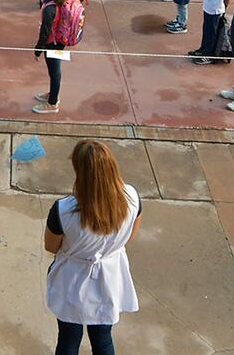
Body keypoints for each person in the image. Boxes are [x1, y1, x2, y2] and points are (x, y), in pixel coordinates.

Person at [45, 139, 141, 355]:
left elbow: (51, 246)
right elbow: (129, 236)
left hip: (72, 279)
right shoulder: (132, 198)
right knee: (103, 338)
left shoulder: (64, 210)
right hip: (110, 276)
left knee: (69, 339)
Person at [33, 0, 72, 115]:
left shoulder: (49, 9)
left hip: (53, 44)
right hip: (60, 40)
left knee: (54, 72)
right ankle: (52, 94)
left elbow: (44, 33)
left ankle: (53, 103)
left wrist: (38, 50)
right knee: (54, 71)